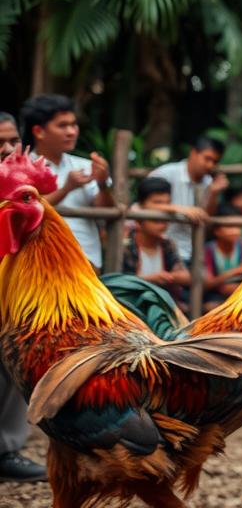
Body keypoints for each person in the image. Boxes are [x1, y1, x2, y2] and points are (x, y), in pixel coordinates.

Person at [21, 94, 114, 269]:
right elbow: (24, 213)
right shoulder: (21, 168)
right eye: (62, 125)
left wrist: (102, 184)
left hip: (86, 261)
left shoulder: (86, 166)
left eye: (73, 124)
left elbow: (107, 212)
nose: (71, 131)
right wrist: (66, 189)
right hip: (37, 263)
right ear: (38, 132)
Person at [0, 113, 43, 483]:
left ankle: (6, 450)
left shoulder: (15, 181)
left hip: (11, 289)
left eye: (12, 140)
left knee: (10, 366)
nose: (7, 148)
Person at [147, 136, 226, 263]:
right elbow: (144, 205)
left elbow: (206, 220)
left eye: (215, 162)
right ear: (193, 153)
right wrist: (181, 210)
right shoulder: (166, 174)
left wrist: (213, 193)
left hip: (191, 252)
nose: (210, 165)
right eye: (207, 158)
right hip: (160, 250)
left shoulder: (210, 183)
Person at [124, 177, 191, 304]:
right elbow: (118, 283)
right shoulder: (126, 244)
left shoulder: (167, 244)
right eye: (158, 203)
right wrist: (150, 280)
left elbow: (187, 277)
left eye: (167, 204)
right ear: (141, 209)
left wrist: (169, 276)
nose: (164, 210)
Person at [200, 205, 242, 309]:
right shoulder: (208, 250)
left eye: (237, 227)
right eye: (230, 227)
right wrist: (237, 271)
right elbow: (207, 283)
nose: (235, 231)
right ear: (216, 231)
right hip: (215, 295)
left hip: (240, 291)